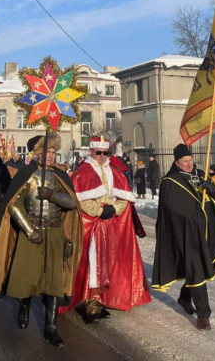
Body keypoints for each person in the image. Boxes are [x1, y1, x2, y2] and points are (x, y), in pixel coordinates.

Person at [0, 133, 83, 347]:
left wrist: (52, 196)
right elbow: (14, 206)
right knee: (29, 276)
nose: (50, 156)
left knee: (54, 279)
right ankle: (24, 305)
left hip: (54, 233)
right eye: (46, 152)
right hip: (32, 234)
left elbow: (71, 203)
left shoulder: (59, 176)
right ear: (37, 153)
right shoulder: (27, 175)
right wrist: (29, 231)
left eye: (53, 152)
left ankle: (51, 327)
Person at [152, 144, 215, 330]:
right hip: (187, 233)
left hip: (207, 230)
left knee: (200, 267)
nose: (188, 164)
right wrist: (195, 216)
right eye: (184, 161)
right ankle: (204, 315)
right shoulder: (170, 181)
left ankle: (184, 297)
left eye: (190, 160)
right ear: (177, 163)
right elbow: (171, 209)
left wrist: (212, 189)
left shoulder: (201, 175)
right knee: (195, 267)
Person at [59, 136, 150, 324]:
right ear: (91, 152)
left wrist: (114, 209)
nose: (102, 156)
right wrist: (99, 211)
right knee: (92, 262)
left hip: (112, 225)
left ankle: (103, 299)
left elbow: (125, 198)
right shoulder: (83, 172)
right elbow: (80, 199)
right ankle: (91, 302)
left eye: (105, 153)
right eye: (98, 152)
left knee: (109, 262)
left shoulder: (114, 170)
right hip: (91, 224)